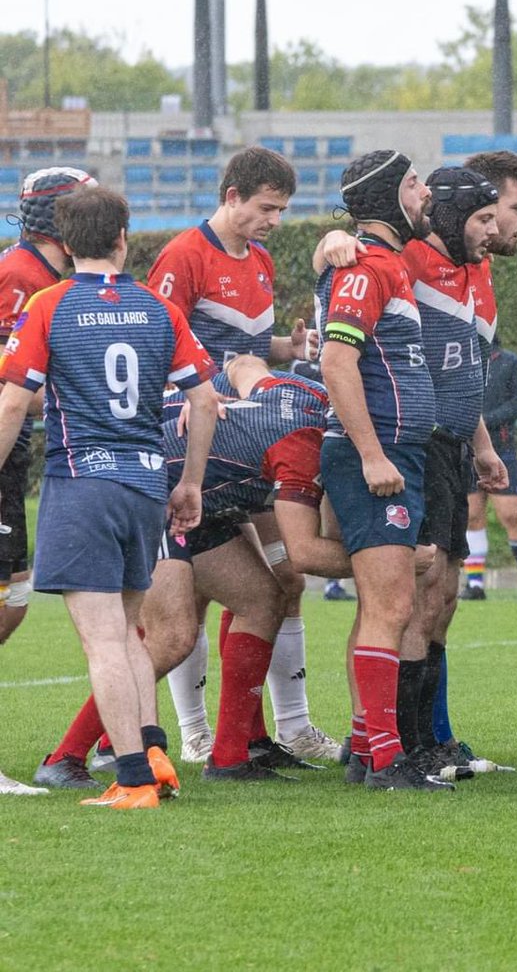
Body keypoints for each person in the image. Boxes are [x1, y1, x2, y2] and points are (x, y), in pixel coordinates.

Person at [0, 185, 219, 809]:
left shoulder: (49, 305)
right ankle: (153, 751)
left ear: (66, 245)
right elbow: (204, 398)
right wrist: (190, 482)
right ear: (124, 239)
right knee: (127, 631)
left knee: (101, 639)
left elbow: (14, 401)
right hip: (147, 484)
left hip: (84, 484)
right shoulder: (157, 308)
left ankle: (132, 779)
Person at [36, 355, 350, 786]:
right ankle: (66, 755)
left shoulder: (304, 391)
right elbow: (306, 553)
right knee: (173, 636)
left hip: (196, 498)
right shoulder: (305, 444)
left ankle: (229, 757)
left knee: (262, 599)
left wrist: (204, 400)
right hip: (150, 490)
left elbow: (243, 364)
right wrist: (394, 563)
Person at [148, 146, 339, 763]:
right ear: (231, 197)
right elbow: (157, 340)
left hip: (250, 438)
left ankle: (285, 728)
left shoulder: (258, 259)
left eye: (282, 210)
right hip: (200, 441)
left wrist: (291, 346)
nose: (275, 221)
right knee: (202, 596)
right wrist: (179, 402)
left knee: (284, 580)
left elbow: (247, 350)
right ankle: (199, 733)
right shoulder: (184, 254)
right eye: (266, 208)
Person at [316, 149, 453, 791]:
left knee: (385, 603)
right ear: (396, 193)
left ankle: (366, 749)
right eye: (418, 183)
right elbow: (338, 362)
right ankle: (386, 759)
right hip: (380, 456)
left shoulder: (381, 263)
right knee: (391, 603)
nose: (426, 194)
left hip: (398, 453)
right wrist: (371, 453)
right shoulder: (367, 268)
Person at [394, 166, 507, 766]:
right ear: (447, 217)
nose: (493, 230)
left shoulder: (476, 271)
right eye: (483, 219)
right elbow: (346, 262)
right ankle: (403, 744)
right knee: (421, 593)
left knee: (444, 597)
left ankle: (430, 741)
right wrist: (330, 245)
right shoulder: (409, 259)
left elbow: (467, 370)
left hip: (458, 448)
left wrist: (483, 445)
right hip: (423, 444)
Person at [0, 167, 95, 646]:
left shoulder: (55, 277)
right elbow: (7, 385)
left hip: (13, 450)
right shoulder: (21, 276)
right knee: (9, 604)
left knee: (13, 602)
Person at [462, 333, 517, 600]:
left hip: (502, 447)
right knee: (471, 514)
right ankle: (474, 583)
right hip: (465, 448)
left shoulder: (509, 361)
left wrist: (486, 422)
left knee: (512, 515)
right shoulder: (459, 360)